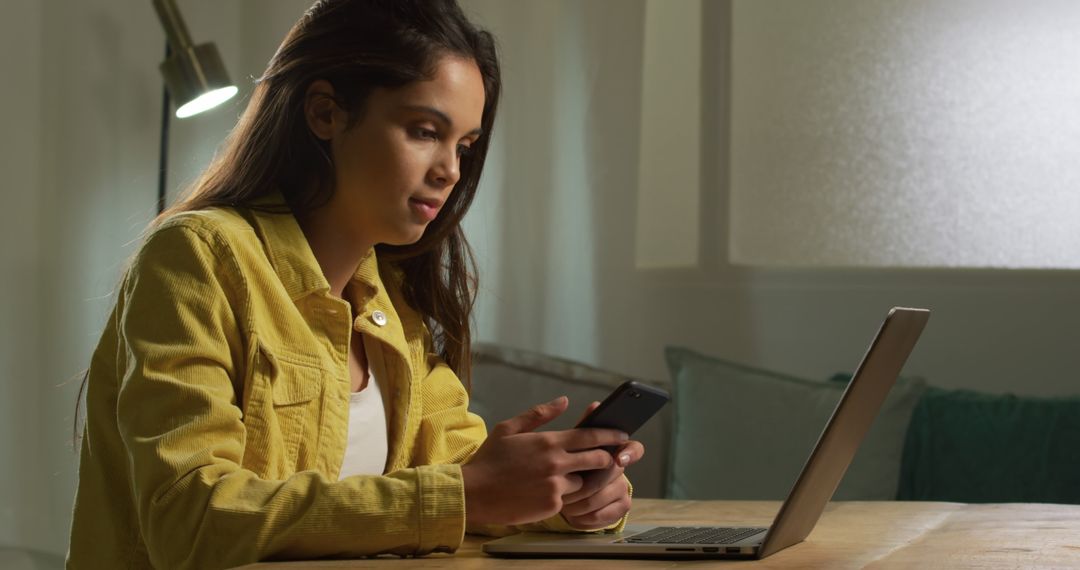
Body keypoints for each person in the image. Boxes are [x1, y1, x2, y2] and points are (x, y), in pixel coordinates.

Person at [66, 0, 645, 567]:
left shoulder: (392, 302)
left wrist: (571, 496)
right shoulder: (197, 256)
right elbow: (188, 518)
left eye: (464, 146)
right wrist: (464, 495)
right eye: (424, 130)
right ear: (325, 113)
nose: (450, 170)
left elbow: (464, 474)